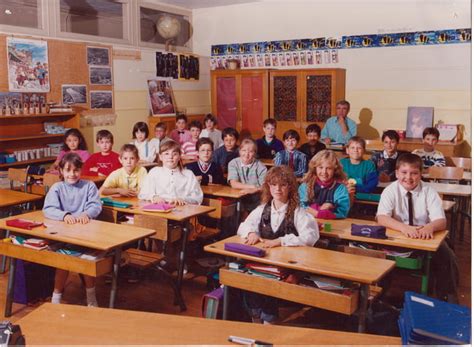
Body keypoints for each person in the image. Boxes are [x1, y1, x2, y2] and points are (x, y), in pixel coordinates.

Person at [238, 166, 319, 324]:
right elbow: (244, 226)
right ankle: (256, 317)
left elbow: (310, 237)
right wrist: (251, 233)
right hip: (264, 265)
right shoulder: (262, 209)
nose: (278, 189)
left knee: (269, 286)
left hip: (286, 267)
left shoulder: (297, 212)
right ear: (268, 187)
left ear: (290, 187)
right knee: (249, 279)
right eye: (274, 185)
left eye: (283, 185)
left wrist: (281, 240)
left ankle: (269, 320)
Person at [376, 153, 459, 302]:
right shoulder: (390, 191)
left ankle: (448, 299)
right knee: (372, 253)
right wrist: (404, 228)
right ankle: (378, 297)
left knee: (446, 254)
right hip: (399, 236)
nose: (408, 177)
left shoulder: (429, 191)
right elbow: (381, 217)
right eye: (404, 172)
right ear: (396, 173)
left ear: (421, 174)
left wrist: (430, 227)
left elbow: (441, 221)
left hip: (425, 237)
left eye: (414, 173)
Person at [43, 152, 102, 307]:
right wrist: (64, 215)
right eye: (68, 170)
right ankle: (56, 298)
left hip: (85, 234)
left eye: (76, 170)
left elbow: (96, 205)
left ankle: (91, 297)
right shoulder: (57, 188)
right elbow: (48, 208)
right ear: (61, 171)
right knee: (63, 263)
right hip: (64, 235)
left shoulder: (88, 185)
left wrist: (86, 213)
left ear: (81, 170)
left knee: (87, 263)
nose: (72, 174)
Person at [139, 140, 203, 205]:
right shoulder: (154, 172)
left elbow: (197, 197)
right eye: (166, 154)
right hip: (159, 209)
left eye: (174, 154)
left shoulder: (188, 174)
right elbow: (144, 193)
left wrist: (183, 199)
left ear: (179, 157)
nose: (170, 157)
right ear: (160, 157)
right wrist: (154, 197)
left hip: (182, 210)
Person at [299, 150, 350, 219]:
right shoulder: (305, 186)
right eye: (320, 167)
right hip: (307, 222)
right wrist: (319, 209)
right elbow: (301, 207)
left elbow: (342, 212)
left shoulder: (340, 188)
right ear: (315, 168)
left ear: (335, 170)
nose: (324, 172)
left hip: (332, 225)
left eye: (329, 168)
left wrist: (323, 212)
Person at [228, 139, 268, 215]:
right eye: (244, 150)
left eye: (250, 151)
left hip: (256, 200)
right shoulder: (233, 163)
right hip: (238, 198)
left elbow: (264, 186)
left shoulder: (261, 167)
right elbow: (233, 183)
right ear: (239, 151)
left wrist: (255, 190)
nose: (246, 154)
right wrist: (251, 187)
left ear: (255, 153)